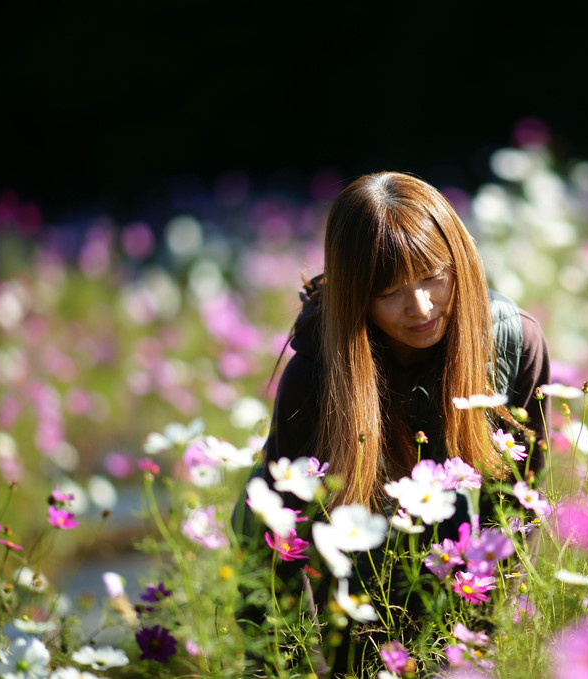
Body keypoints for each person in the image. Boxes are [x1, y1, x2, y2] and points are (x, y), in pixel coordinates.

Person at [233, 171, 550, 674]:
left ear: (460, 263)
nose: (420, 307)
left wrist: (477, 640)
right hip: (345, 544)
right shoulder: (317, 371)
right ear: (357, 296)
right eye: (391, 292)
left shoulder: (509, 341)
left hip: (452, 548)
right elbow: (279, 533)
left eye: (432, 276)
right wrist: (286, 662)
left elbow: (516, 503)